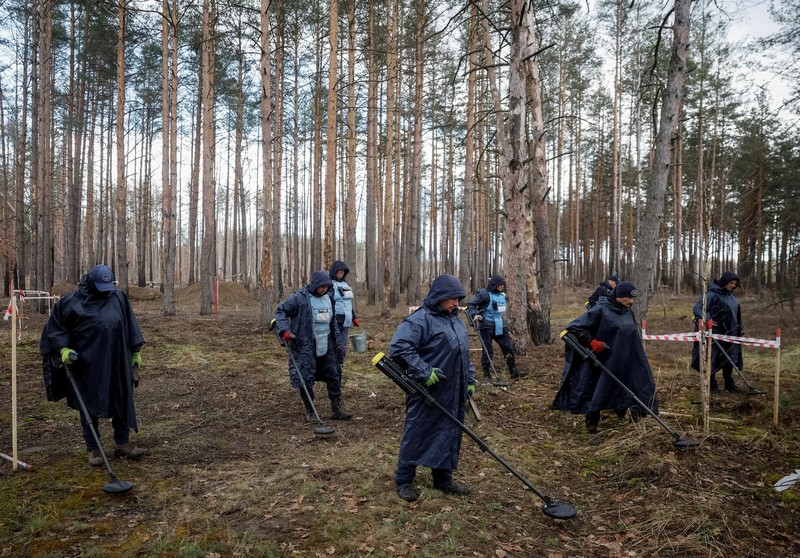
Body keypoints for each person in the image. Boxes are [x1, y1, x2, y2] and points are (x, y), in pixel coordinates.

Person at [40, 264, 146, 467]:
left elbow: (130, 323)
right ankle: (93, 447)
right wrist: (63, 349)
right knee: (88, 403)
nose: (106, 292)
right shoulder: (72, 302)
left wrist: (136, 352)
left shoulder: (118, 298)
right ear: (91, 282)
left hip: (117, 360)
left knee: (122, 397)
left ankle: (122, 443)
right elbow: (55, 328)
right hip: (87, 364)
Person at [389, 275, 476, 502]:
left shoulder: (455, 319)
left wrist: (470, 380)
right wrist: (425, 372)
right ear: (439, 297)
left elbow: (463, 352)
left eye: (458, 298)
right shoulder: (420, 320)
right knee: (417, 432)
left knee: (449, 431)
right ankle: (404, 480)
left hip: (454, 388)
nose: (456, 302)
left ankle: (443, 479)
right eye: (452, 298)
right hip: (427, 391)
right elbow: (399, 347)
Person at [553, 280, 658, 435]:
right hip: (605, 360)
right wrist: (593, 342)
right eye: (627, 297)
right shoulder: (601, 310)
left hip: (627, 358)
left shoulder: (627, 311)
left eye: (633, 298)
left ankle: (634, 422)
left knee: (638, 384)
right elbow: (575, 328)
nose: (631, 301)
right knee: (598, 389)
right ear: (618, 296)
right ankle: (592, 425)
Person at [274, 270, 353, 422]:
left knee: (334, 373)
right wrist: (285, 330)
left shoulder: (329, 297)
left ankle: (337, 408)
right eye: (321, 287)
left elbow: (333, 322)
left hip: (327, 342)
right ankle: (310, 410)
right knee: (306, 376)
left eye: (326, 287)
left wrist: (338, 344)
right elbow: (281, 311)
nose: (324, 290)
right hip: (305, 343)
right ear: (315, 284)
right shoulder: (300, 298)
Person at [691, 271, 743, 394]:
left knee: (730, 358)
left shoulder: (731, 295)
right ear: (725, 282)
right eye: (731, 283)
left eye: (735, 284)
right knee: (712, 359)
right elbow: (698, 308)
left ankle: (729, 384)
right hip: (715, 333)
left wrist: (739, 328)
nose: (733, 286)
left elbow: (736, 312)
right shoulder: (711, 295)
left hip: (730, 333)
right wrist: (707, 318)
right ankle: (712, 385)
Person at [466, 275, 525, 380]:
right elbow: (471, 304)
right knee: (488, 350)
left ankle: (513, 371)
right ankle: (486, 373)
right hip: (486, 326)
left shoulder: (502, 295)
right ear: (494, 285)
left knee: (508, 347)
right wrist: (474, 314)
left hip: (500, 325)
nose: (502, 287)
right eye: (499, 285)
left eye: (503, 285)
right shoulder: (484, 294)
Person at [329, 260, 360, 364]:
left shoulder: (345, 285)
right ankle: (333, 364)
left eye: (343, 272)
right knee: (336, 343)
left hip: (346, 319)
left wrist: (353, 317)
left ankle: (339, 364)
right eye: (339, 272)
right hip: (335, 319)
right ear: (334, 271)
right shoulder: (330, 285)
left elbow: (348, 303)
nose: (341, 274)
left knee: (343, 344)